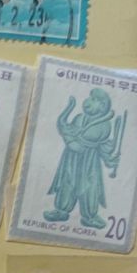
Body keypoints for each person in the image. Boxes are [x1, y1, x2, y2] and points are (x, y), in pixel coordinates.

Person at [43, 89, 121, 229]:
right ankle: (61, 210)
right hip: (71, 159)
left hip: (89, 161)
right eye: (89, 98)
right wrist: (70, 141)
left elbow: (99, 142)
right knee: (67, 181)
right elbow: (68, 130)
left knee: (90, 186)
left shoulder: (104, 125)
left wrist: (110, 159)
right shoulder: (79, 117)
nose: (87, 102)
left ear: (102, 106)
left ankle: (90, 216)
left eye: (93, 100)